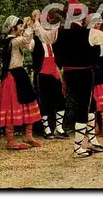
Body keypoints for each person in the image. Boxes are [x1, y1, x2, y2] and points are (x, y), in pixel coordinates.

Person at [52, 0, 103, 158]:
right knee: (83, 107)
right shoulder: (89, 33)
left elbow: (44, 37)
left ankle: (92, 140)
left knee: (90, 104)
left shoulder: (58, 31)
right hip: (84, 73)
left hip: (68, 72)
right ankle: (78, 147)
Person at [0, 15, 56, 150]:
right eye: (19, 26)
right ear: (13, 28)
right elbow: (25, 40)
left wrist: (30, 29)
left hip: (19, 74)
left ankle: (28, 135)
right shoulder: (11, 41)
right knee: (12, 107)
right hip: (13, 76)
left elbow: (29, 46)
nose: (20, 28)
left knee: (30, 101)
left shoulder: (15, 40)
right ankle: (11, 140)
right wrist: (28, 26)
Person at [31, 10, 69, 140]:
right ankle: (46, 129)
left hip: (54, 71)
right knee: (44, 101)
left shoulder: (54, 40)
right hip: (42, 73)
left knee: (61, 100)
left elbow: (61, 54)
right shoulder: (35, 40)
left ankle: (59, 128)